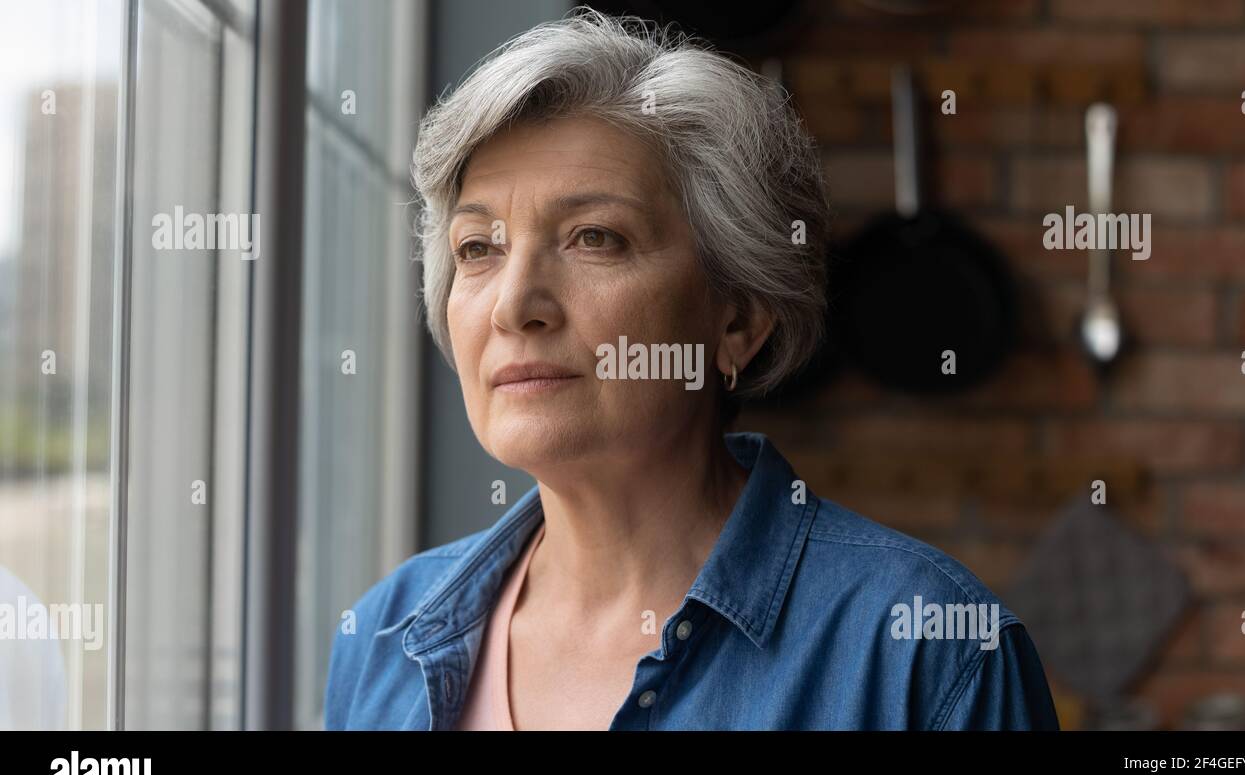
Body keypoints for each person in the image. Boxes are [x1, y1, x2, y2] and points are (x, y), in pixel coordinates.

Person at [325, 8, 1059, 731]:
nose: (514, 306)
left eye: (594, 237)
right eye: (478, 248)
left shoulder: (929, 654)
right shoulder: (385, 634)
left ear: (736, 319)